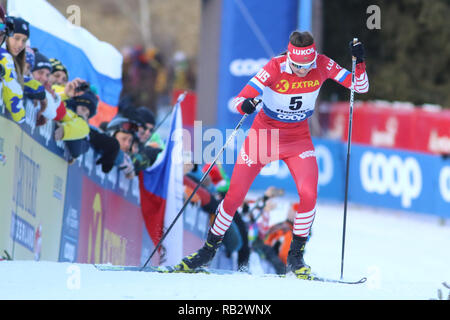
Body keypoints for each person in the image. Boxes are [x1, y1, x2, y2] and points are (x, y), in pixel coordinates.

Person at [176, 31, 369, 277]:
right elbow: (237, 100)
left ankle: (296, 258)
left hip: (298, 139)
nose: (302, 70)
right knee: (234, 196)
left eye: (307, 66)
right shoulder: (274, 67)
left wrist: (360, 63)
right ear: (289, 58)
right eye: (297, 65)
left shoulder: (322, 63)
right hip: (264, 137)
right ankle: (207, 251)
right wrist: (245, 105)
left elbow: (360, 87)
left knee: (309, 195)